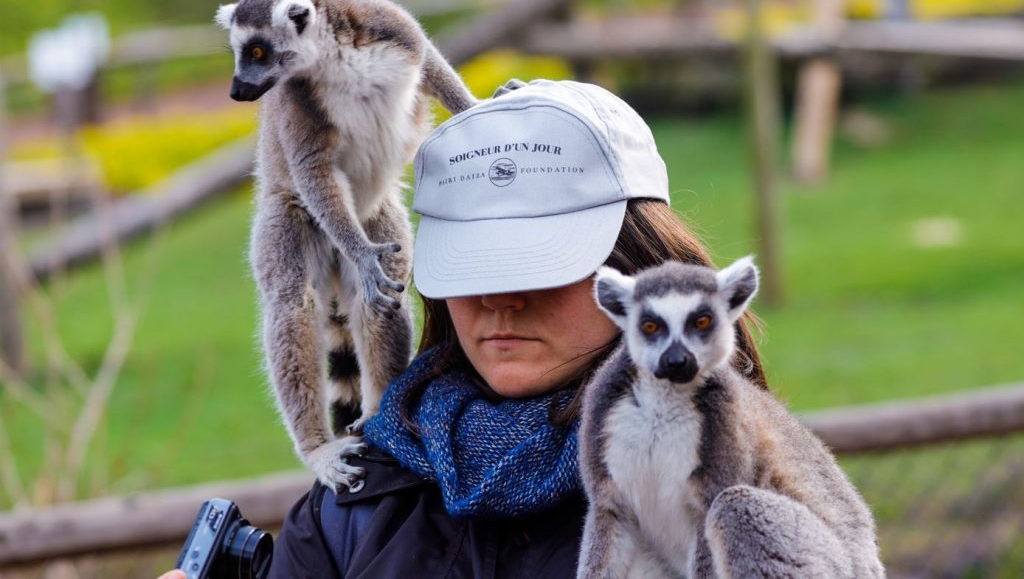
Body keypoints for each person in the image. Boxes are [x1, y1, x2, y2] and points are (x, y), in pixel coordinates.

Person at [165, 79, 765, 578]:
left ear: (638, 264)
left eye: (542, 262)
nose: (499, 299)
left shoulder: (730, 496)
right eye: (474, 266)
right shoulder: (358, 500)